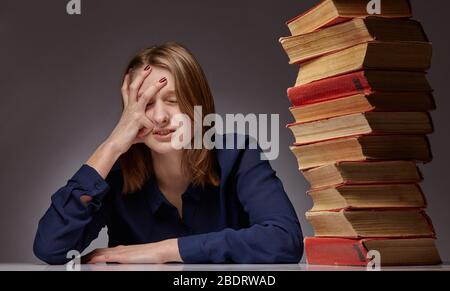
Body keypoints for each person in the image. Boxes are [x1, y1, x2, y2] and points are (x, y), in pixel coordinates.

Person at [33, 42, 303, 264]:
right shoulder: (114, 176)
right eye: (146, 104)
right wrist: (111, 145)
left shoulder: (238, 155)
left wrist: (165, 250)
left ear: (198, 104)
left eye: (173, 101)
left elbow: (284, 240)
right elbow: (51, 248)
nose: (160, 116)